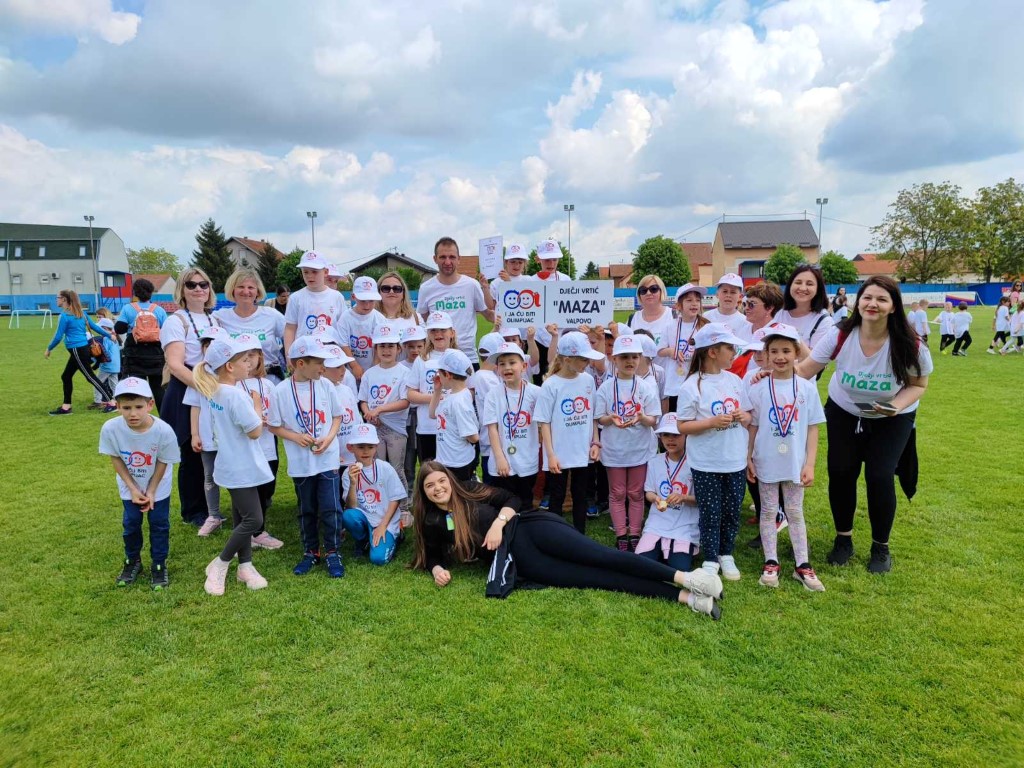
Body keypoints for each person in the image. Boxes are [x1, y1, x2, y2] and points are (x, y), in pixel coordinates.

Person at [410, 462, 723, 619]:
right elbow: (432, 554)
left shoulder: (468, 490)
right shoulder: (433, 521)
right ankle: (689, 599)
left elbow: (511, 499)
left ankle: (688, 579)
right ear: (423, 492)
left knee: (604, 557)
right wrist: (437, 569)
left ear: (449, 480)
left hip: (531, 529)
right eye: (429, 486)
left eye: (441, 481)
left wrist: (497, 524)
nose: (438, 488)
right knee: (598, 579)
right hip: (522, 561)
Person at [799, 275, 932, 573]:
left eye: (882, 299)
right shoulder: (840, 334)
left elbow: (918, 385)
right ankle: (843, 540)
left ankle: (880, 547)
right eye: (867, 298)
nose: (873, 304)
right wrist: (768, 377)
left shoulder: (910, 344)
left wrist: (895, 406)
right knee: (841, 472)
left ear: (893, 306)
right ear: (857, 302)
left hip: (892, 416)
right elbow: (805, 370)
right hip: (844, 410)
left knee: (880, 475)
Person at [745, 324, 826, 591]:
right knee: (768, 511)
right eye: (774, 351)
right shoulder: (758, 388)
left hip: (795, 462)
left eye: (786, 351)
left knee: (794, 511)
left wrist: (810, 463)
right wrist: (748, 457)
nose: (780, 357)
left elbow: (812, 427)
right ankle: (771, 561)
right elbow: (753, 426)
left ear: (796, 353)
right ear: (766, 354)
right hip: (766, 460)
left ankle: (803, 565)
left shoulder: (806, 388)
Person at [192, 336, 275, 596]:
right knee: (253, 519)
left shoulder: (216, 390)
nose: (249, 363)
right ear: (230, 366)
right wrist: (257, 407)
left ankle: (245, 566)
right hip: (241, 466)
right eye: (244, 360)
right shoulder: (236, 395)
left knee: (242, 516)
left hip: (232, 464)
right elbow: (254, 432)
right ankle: (220, 563)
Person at [676, 323, 752, 581]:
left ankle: (726, 553)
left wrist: (743, 416)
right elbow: (682, 425)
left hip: (735, 459)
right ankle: (710, 557)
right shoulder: (692, 386)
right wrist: (710, 422)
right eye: (729, 348)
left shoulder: (735, 381)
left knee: (731, 509)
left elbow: (748, 415)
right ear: (712, 352)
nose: (734, 353)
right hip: (706, 461)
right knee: (710, 510)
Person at [268, 336, 345, 578]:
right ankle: (311, 551)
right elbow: (273, 425)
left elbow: (337, 416)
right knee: (307, 509)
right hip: (301, 463)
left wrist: (329, 438)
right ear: (301, 364)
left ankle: (333, 552)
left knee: (331, 508)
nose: (323, 368)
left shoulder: (325, 385)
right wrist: (295, 436)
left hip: (327, 458)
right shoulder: (280, 391)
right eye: (319, 363)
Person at [100, 377, 180, 589]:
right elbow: (116, 458)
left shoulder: (164, 431)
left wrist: (151, 491)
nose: (132, 413)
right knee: (131, 523)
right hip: (130, 484)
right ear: (117, 406)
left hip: (158, 484)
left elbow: (163, 461)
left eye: (138, 407)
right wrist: (133, 489)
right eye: (126, 408)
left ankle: (159, 564)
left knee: (159, 523)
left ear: (150, 404)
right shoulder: (110, 428)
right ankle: (132, 561)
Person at [160, 267, 218, 527]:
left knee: (212, 449)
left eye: (203, 284)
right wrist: (204, 387)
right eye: (191, 285)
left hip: (211, 388)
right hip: (187, 388)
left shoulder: (214, 319)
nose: (198, 289)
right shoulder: (176, 321)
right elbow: (175, 364)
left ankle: (212, 506)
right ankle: (194, 511)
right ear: (182, 290)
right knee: (192, 452)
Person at [595, 334, 661, 552]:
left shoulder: (645, 387)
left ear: (640, 358)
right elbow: (599, 418)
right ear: (614, 359)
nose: (630, 361)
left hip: (639, 448)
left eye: (634, 357)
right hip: (614, 449)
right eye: (624, 357)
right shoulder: (606, 388)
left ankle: (635, 533)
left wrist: (642, 418)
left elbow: (654, 419)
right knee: (617, 493)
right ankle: (621, 534)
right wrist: (610, 418)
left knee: (635, 493)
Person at [535, 331, 603, 533]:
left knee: (580, 495)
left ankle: (579, 536)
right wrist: (550, 455)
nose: (587, 363)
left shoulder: (588, 380)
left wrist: (595, 442)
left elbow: (592, 415)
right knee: (556, 496)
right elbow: (544, 422)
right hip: (559, 453)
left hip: (582, 450)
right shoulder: (551, 385)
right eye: (583, 359)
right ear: (567, 360)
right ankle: (557, 536)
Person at [416, 236, 494, 365]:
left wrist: (513, 317)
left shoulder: (471, 285)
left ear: (459, 259)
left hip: (468, 357)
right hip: (438, 359)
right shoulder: (426, 288)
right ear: (435, 259)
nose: (447, 262)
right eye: (443, 257)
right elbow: (422, 321)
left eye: (452, 257)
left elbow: (488, 315)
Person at [358, 328, 411, 514]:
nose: (386, 350)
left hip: (396, 428)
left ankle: (403, 508)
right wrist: (368, 413)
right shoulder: (369, 373)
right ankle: (381, 505)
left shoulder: (405, 372)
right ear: (376, 349)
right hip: (374, 429)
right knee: (377, 468)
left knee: (397, 469)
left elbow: (405, 401)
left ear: (398, 349)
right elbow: (363, 400)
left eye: (390, 346)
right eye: (382, 347)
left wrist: (380, 410)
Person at [483, 341, 542, 508]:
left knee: (525, 502)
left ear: (524, 366)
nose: (507, 367)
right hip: (502, 462)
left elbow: (543, 424)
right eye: (502, 364)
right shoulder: (493, 395)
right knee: (504, 503)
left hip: (527, 459)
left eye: (512, 363)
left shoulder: (536, 393)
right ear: (497, 368)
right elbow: (492, 429)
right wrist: (500, 458)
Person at [238, 345, 285, 551]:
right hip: (246, 447)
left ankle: (257, 530)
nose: (248, 360)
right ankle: (251, 531)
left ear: (260, 357)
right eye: (243, 356)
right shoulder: (234, 386)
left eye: (252, 355)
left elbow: (277, 410)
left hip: (267, 446)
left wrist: (270, 419)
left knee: (267, 488)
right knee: (249, 489)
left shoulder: (267, 384)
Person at [640, 414, 700, 571]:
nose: (670, 439)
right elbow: (649, 492)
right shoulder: (654, 461)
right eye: (666, 435)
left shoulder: (695, 463)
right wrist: (655, 499)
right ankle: (658, 549)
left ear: (686, 435)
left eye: (676, 435)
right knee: (642, 564)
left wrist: (683, 497)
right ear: (660, 437)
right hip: (657, 523)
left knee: (679, 568)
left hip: (684, 526)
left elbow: (701, 500)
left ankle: (674, 551)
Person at [342, 423, 407, 565]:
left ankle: (397, 536)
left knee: (378, 559)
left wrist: (383, 526)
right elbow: (350, 507)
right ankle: (363, 539)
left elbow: (395, 499)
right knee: (348, 516)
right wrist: (353, 483)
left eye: (370, 447)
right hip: (365, 517)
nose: (366, 451)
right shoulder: (348, 473)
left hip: (385, 520)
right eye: (360, 447)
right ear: (351, 448)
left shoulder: (385, 468)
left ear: (376, 447)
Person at [184, 326, 227, 537]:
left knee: (235, 476)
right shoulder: (199, 374)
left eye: (215, 343)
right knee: (209, 476)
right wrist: (195, 434)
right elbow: (195, 406)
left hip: (230, 438)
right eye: (206, 344)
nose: (210, 348)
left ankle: (242, 514)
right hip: (208, 437)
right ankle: (214, 515)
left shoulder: (232, 372)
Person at [44, 289, 116, 414]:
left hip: (77, 350)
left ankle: (112, 403)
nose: (56, 300)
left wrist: (49, 348)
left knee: (90, 377)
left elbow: (58, 337)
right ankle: (66, 407)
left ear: (64, 299)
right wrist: (109, 335)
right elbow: (95, 327)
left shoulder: (65, 316)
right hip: (80, 350)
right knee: (66, 376)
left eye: (58, 297)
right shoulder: (81, 313)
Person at [213, 268, 287, 382]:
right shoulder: (219, 317)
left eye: (251, 287)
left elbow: (291, 338)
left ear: (258, 292)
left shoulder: (272, 315)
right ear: (232, 290)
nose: (246, 291)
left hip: (269, 378)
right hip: (235, 382)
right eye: (241, 287)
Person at [406, 311, 457, 463]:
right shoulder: (422, 359)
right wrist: (435, 397)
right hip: (427, 428)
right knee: (429, 470)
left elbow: (470, 391)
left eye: (443, 330)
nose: (438, 334)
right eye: (433, 330)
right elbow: (411, 394)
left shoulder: (459, 357)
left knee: (452, 471)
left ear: (452, 333)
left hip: (453, 427)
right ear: (428, 334)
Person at [283, 251, 347, 365]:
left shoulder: (337, 297)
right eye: (305, 272)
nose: (309, 276)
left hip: (331, 354)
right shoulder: (295, 298)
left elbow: (343, 328)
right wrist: (289, 355)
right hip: (305, 355)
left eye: (314, 271)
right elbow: (290, 328)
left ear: (325, 272)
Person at [115, 278, 168, 410]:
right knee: (158, 388)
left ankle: (140, 415)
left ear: (135, 293)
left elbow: (119, 329)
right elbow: (166, 331)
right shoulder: (159, 310)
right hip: (156, 353)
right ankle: (164, 417)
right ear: (151, 292)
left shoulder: (128, 308)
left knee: (137, 388)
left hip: (135, 353)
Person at [657, 283, 709, 412]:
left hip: (698, 382)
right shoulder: (670, 326)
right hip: (675, 383)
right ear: (679, 306)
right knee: (676, 418)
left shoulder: (705, 326)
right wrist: (670, 351)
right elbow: (659, 351)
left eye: (697, 300)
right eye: (689, 300)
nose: (694, 304)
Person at [430, 348, 479, 482]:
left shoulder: (458, 402)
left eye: (439, 373)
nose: (438, 376)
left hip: (457, 464)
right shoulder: (454, 395)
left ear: (447, 374)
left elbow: (473, 437)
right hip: (446, 460)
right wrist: (437, 390)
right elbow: (433, 414)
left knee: (458, 494)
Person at [471, 333, 504, 486]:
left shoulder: (483, 375)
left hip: (489, 438)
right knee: (494, 484)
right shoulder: (487, 378)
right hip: (492, 439)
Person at [774, 264, 833, 349]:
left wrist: (792, 335)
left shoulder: (824, 321)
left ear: (818, 289)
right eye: (798, 282)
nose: (802, 288)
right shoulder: (780, 314)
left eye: (809, 284)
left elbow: (815, 357)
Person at [340, 276, 386, 380]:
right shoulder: (345, 318)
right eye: (363, 300)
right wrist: (354, 365)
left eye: (371, 301)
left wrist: (374, 368)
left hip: (373, 368)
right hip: (350, 370)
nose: (367, 305)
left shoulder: (380, 319)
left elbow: (380, 345)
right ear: (353, 296)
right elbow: (344, 344)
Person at [628, 275, 675, 361]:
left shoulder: (673, 316)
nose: (648, 293)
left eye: (653, 289)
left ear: (661, 292)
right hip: (639, 370)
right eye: (643, 290)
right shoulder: (632, 319)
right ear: (639, 295)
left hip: (668, 370)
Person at [376, 270, 422, 340]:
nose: (391, 292)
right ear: (378, 292)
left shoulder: (416, 318)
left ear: (403, 293)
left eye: (397, 289)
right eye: (386, 288)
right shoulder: (371, 318)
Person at [91, 317, 121, 410]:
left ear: (104, 328)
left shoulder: (105, 339)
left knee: (97, 382)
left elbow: (103, 352)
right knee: (114, 384)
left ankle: (97, 401)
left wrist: (94, 358)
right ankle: (117, 401)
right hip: (116, 366)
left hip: (107, 366)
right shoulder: (115, 338)